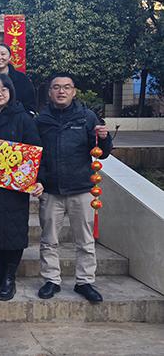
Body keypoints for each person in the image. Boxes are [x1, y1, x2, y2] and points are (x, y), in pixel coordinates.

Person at [35, 73, 112, 304]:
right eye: (56, 87)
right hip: (51, 190)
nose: (61, 91)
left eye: (66, 87)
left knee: (85, 240)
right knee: (49, 239)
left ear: (74, 91)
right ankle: (51, 280)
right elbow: (35, 154)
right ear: (50, 92)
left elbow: (102, 153)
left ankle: (85, 281)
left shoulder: (87, 117)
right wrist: (39, 180)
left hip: (81, 188)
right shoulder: (41, 119)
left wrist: (104, 138)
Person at [0, 74, 44, 301]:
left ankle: (9, 277)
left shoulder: (23, 118)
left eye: (4, 89)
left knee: (13, 231)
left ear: (11, 92)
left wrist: (37, 179)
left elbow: (35, 150)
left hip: (15, 187)